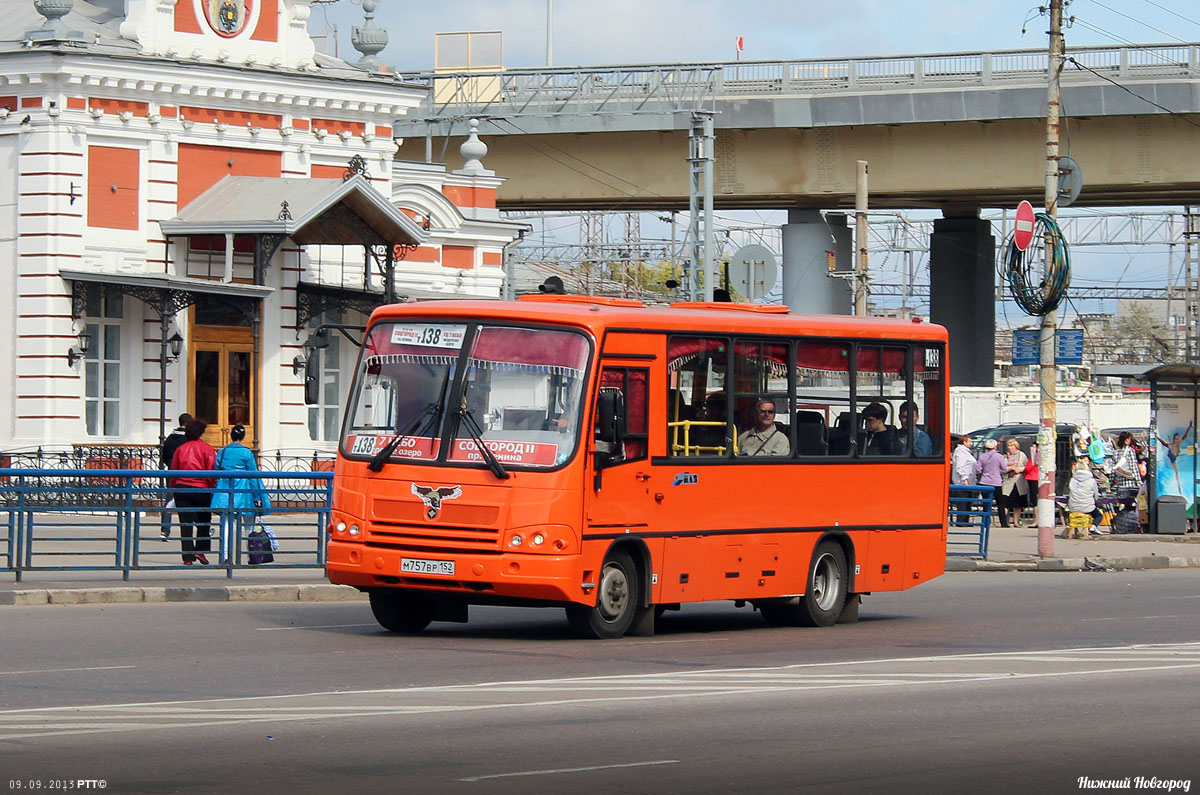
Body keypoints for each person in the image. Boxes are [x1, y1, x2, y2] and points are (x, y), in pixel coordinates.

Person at [210, 424, 270, 563]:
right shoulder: (247, 453)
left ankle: (225, 556)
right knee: (249, 525)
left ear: (231, 436)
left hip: (225, 490)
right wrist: (257, 496)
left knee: (226, 525)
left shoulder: (223, 452)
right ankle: (252, 555)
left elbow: (216, 469)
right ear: (243, 437)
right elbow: (253, 475)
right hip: (245, 492)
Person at [170, 418, 216, 565]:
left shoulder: (180, 449)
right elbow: (211, 471)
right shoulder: (207, 449)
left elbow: (173, 471)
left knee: (185, 523)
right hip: (201, 488)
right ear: (200, 433)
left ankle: (188, 557)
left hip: (181, 488)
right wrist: (211, 489)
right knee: (204, 521)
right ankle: (200, 550)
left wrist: (173, 489)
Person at [158, 412, 192, 541]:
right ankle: (194, 527)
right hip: (186, 473)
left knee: (169, 501)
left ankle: (164, 530)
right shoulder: (189, 439)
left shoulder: (170, 438)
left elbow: (165, 456)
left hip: (172, 471)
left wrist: (171, 464)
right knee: (191, 501)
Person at [1067, 455, 1101, 538]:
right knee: (1098, 515)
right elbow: (1096, 495)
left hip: (1073, 507)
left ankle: (1075, 531)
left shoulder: (1072, 480)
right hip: (1087, 507)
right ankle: (1093, 526)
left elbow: (1070, 492)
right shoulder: (1091, 480)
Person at [976, 438, 1007, 526]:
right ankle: (1003, 523)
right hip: (996, 482)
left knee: (986, 503)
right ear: (995, 446)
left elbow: (978, 469)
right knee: (1000, 503)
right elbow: (1004, 468)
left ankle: (986, 522)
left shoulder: (982, 456)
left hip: (985, 481)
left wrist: (984, 473)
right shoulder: (999, 456)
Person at [1001, 438, 1029, 527]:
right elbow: (1001, 469)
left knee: (1018, 504)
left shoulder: (1022, 455)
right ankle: (1005, 521)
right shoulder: (1004, 457)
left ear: (1016, 446)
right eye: (1008, 446)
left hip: (1019, 481)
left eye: (1012, 446)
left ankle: (1016, 521)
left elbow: (1026, 466)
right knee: (1005, 502)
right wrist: (1010, 468)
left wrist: (1019, 469)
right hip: (1008, 482)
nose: (1010, 448)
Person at [1112, 430, 1143, 504]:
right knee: (1131, 503)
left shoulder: (1115, 452)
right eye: (1129, 439)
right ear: (1126, 440)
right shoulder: (1130, 451)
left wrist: (1111, 483)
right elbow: (1133, 466)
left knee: (1122, 503)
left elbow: (1113, 469)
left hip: (1120, 483)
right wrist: (1139, 481)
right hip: (1129, 482)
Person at [1024, 441, 1040, 513]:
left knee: (1034, 500)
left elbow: (1028, 468)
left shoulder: (1034, 457)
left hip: (1033, 478)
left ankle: (1036, 519)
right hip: (1035, 477)